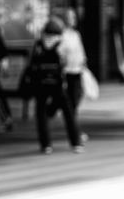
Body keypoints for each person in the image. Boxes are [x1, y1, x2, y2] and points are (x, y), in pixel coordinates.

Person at [22, 18, 83, 153]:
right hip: (58, 84)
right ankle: (76, 142)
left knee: (41, 113)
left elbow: (31, 64)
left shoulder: (38, 44)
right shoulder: (62, 44)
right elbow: (69, 63)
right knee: (69, 113)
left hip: (41, 83)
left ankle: (46, 145)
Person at [58, 8, 88, 117]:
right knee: (71, 97)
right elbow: (60, 52)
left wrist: (84, 60)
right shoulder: (62, 35)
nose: (74, 19)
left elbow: (80, 50)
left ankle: (71, 117)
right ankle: (71, 120)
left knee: (78, 95)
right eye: (71, 17)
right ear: (66, 19)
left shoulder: (76, 34)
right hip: (67, 71)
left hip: (77, 69)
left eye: (74, 17)